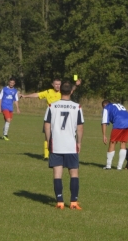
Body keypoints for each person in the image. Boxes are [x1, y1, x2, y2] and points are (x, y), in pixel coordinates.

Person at [44, 81, 84, 210]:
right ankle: (73, 202)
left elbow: (47, 125)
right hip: (70, 145)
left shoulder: (52, 106)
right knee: (74, 173)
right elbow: (80, 127)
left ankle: (60, 202)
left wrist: (49, 141)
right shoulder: (77, 107)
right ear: (71, 91)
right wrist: (79, 142)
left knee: (57, 174)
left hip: (56, 144)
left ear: (59, 91)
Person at [20, 78, 81, 159]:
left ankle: (60, 152)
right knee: (47, 136)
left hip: (60, 119)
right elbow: (37, 94)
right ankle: (46, 155)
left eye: (59, 84)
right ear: (52, 85)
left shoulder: (63, 92)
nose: (57, 86)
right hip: (50, 118)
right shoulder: (48, 92)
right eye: (56, 84)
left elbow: (71, 90)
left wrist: (76, 85)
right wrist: (25, 96)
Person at [101, 100, 128, 170]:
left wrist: (104, 135)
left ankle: (108, 166)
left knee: (112, 142)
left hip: (119, 122)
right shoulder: (117, 105)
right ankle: (119, 167)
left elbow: (104, 123)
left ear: (104, 105)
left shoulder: (106, 108)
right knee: (123, 143)